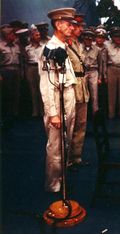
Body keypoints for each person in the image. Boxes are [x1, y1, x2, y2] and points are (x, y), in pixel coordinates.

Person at [38, 7, 77, 192]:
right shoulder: (49, 49)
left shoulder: (63, 46)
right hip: (57, 101)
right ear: (59, 25)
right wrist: (53, 114)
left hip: (68, 97)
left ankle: (62, 178)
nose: (72, 28)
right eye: (69, 24)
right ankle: (53, 185)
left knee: (65, 143)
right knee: (55, 147)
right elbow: (46, 86)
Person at [66, 13, 90, 169]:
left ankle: (76, 157)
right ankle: (66, 159)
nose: (81, 29)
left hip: (82, 86)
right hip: (72, 87)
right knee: (70, 124)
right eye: (78, 26)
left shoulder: (78, 44)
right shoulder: (65, 46)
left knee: (81, 124)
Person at [106, 27, 120, 119]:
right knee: (111, 94)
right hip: (111, 69)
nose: (118, 38)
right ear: (112, 37)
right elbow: (104, 61)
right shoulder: (107, 47)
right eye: (116, 36)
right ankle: (111, 114)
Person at [25, 27, 44, 117]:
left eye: (39, 35)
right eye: (36, 35)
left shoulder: (43, 46)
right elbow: (25, 60)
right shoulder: (27, 48)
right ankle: (35, 111)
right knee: (33, 91)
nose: (38, 36)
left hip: (40, 68)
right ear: (31, 36)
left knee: (41, 90)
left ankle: (42, 111)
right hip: (31, 68)